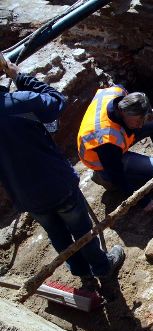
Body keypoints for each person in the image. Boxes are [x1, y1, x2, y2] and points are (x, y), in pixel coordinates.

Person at [0, 59, 124, 279]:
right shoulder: (19, 102)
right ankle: (102, 268)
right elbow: (57, 101)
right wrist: (19, 77)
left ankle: (81, 272)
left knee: (57, 235)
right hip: (57, 185)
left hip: (25, 195)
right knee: (81, 230)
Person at [77, 87, 153, 214]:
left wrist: (148, 113)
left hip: (115, 141)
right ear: (123, 113)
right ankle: (103, 178)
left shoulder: (118, 92)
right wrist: (143, 201)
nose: (140, 126)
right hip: (101, 160)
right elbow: (118, 176)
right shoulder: (106, 139)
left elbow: (136, 103)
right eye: (138, 121)